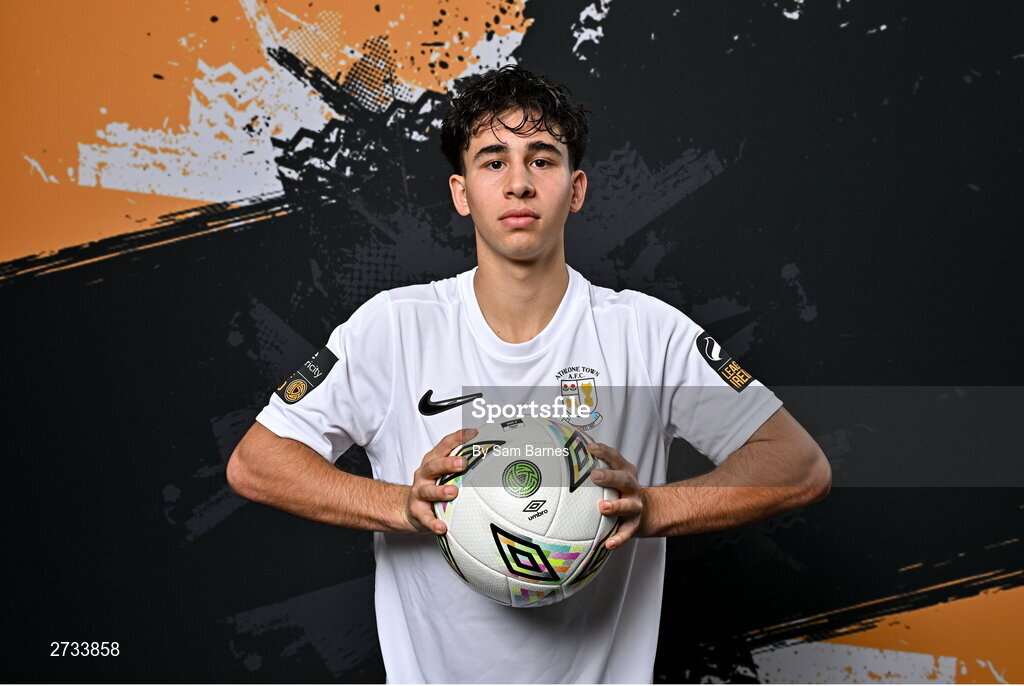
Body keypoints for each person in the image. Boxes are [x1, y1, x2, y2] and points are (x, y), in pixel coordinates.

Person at [227, 65, 830, 683]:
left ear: (577, 188)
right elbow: (255, 462)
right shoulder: (392, 329)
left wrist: (654, 508)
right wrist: (402, 506)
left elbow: (798, 463)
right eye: (493, 161)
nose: (518, 183)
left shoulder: (647, 334)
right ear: (461, 193)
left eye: (542, 159)